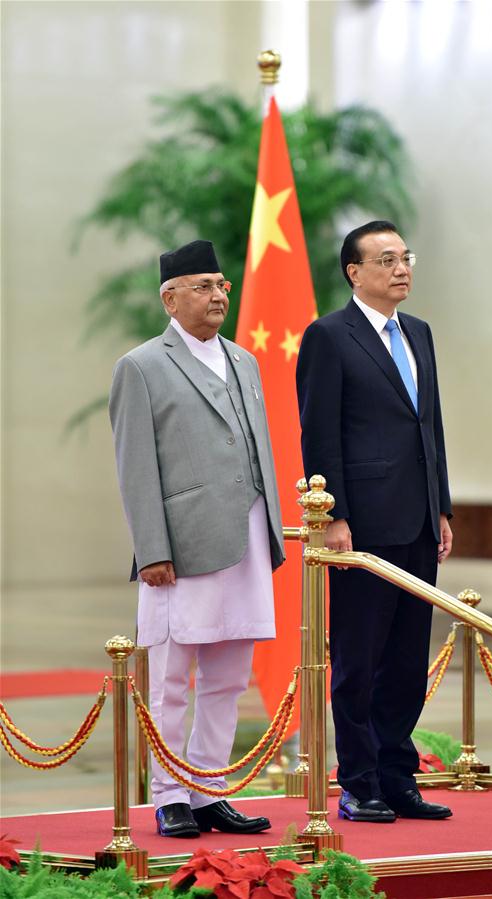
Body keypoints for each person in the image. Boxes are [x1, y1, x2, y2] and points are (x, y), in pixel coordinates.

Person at [109, 240, 285, 838]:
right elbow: (135, 467)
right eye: (204, 286)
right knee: (171, 676)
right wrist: (152, 548)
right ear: (170, 296)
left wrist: (274, 535)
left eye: (223, 286)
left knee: (230, 676)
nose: (218, 296)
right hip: (180, 548)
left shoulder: (244, 360)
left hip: (249, 538)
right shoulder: (142, 365)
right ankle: (169, 795)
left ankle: (209, 790)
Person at [296, 221, 453, 824]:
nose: (401, 268)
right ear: (354, 272)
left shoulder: (420, 333)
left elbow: (430, 427)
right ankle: (359, 783)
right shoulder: (329, 337)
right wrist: (333, 515)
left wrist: (441, 504)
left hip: (416, 519)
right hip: (360, 528)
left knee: (409, 658)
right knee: (360, 660)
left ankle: (398, 776)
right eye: (385, 260)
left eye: (404, 257)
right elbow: (320, 433)